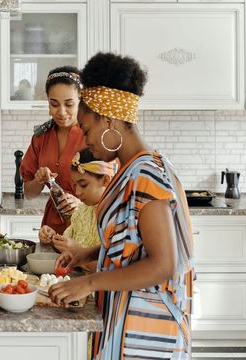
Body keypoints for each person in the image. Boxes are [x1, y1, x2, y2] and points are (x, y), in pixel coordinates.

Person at [49, 53, 195, 359]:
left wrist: (88, 283)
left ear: (109, 120)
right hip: (129, 320)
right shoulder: (134, 169)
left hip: (147, 335)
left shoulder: (145, 176)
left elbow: (163, 264)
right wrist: (89, 253)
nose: (85, 140)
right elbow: (133, 245)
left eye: (87, 129)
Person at [19, 66, 86, 238]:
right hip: (51, 229)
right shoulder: (41, 137)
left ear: (81, 100)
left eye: (69, 104)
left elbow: (111, 190)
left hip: (87, 226)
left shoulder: (92, 136)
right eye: (54, 104)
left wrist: (81, 205)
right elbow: (29, 193)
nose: (61, 112)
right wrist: (38, 180)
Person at [43, 148, 116, 273]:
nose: (77, 192)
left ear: (105, 180)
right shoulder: (81, 211)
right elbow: (69, 247)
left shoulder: (116, 215)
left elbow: (115, 272)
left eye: (83, 184)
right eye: (75, 185)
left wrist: (79, 253)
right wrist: (53, 237)